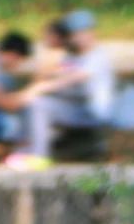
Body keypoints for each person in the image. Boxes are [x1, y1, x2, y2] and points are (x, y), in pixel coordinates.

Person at [7, 10, 117, 169]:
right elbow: (57, 72)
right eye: (72, 34)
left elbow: (73, 78)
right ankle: (24, 149)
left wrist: (39, 88)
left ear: (91, 33)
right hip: (76, 106)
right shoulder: (74, 55)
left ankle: (39, 156)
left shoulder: (97, 57)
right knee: (32, 102)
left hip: (91, 112)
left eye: (81, 33)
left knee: (39, 105)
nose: (76, 38)